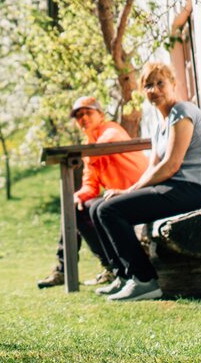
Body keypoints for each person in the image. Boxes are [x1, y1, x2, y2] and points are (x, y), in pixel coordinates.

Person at [91, 62, 201, 301]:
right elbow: (153, 167)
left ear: (173, 84)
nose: (155, 89)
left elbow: (171, 165)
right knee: (98, 206)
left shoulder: (182, 112)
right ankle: (124, 276)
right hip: (174, 188)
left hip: (192, 190)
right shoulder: (161, 124)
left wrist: (129, 191)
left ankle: (145, 280)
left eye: (161, 83)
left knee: (109, 210)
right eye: (148, 85)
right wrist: (126, 192)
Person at [37, 97, 148, 288]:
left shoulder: (111, 130)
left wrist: (88, 153)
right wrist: (78, 196)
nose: (84, 118)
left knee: (91, 208)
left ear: (101, 115)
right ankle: (107, 267)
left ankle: (69, 270)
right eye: (79, 115)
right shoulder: (89, 146)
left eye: (88, 112)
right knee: (75, 206)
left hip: (140, 192)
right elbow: (91, 186)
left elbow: (105, 144)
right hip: (118, 198)